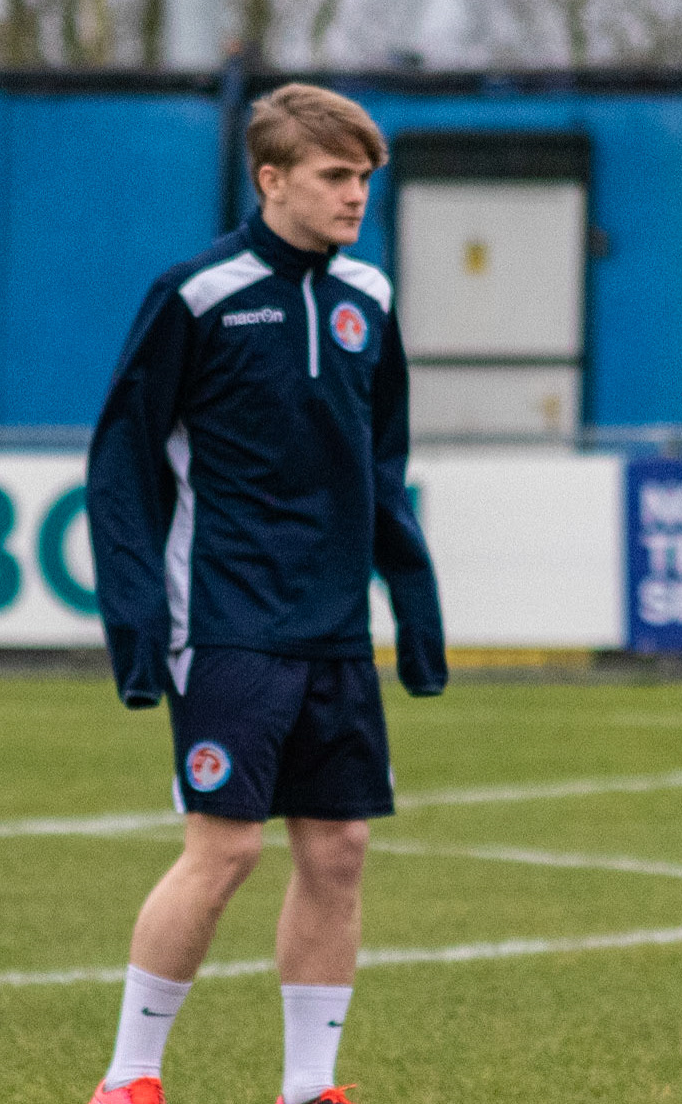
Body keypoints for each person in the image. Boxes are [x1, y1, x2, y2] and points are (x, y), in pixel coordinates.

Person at [83, 83, 448, 1104]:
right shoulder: (195, 295)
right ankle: (129, 1078)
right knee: (225, 848)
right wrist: (136, 621)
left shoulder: (367, 300)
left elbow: (382, 469)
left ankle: (308, 1088)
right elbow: (119, 462)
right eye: (335, 177)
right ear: (270, 177)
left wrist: (411, 610)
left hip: (334, 628)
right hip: (228, 621)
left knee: (338, 849)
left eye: (365, 179)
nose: (354, 197)